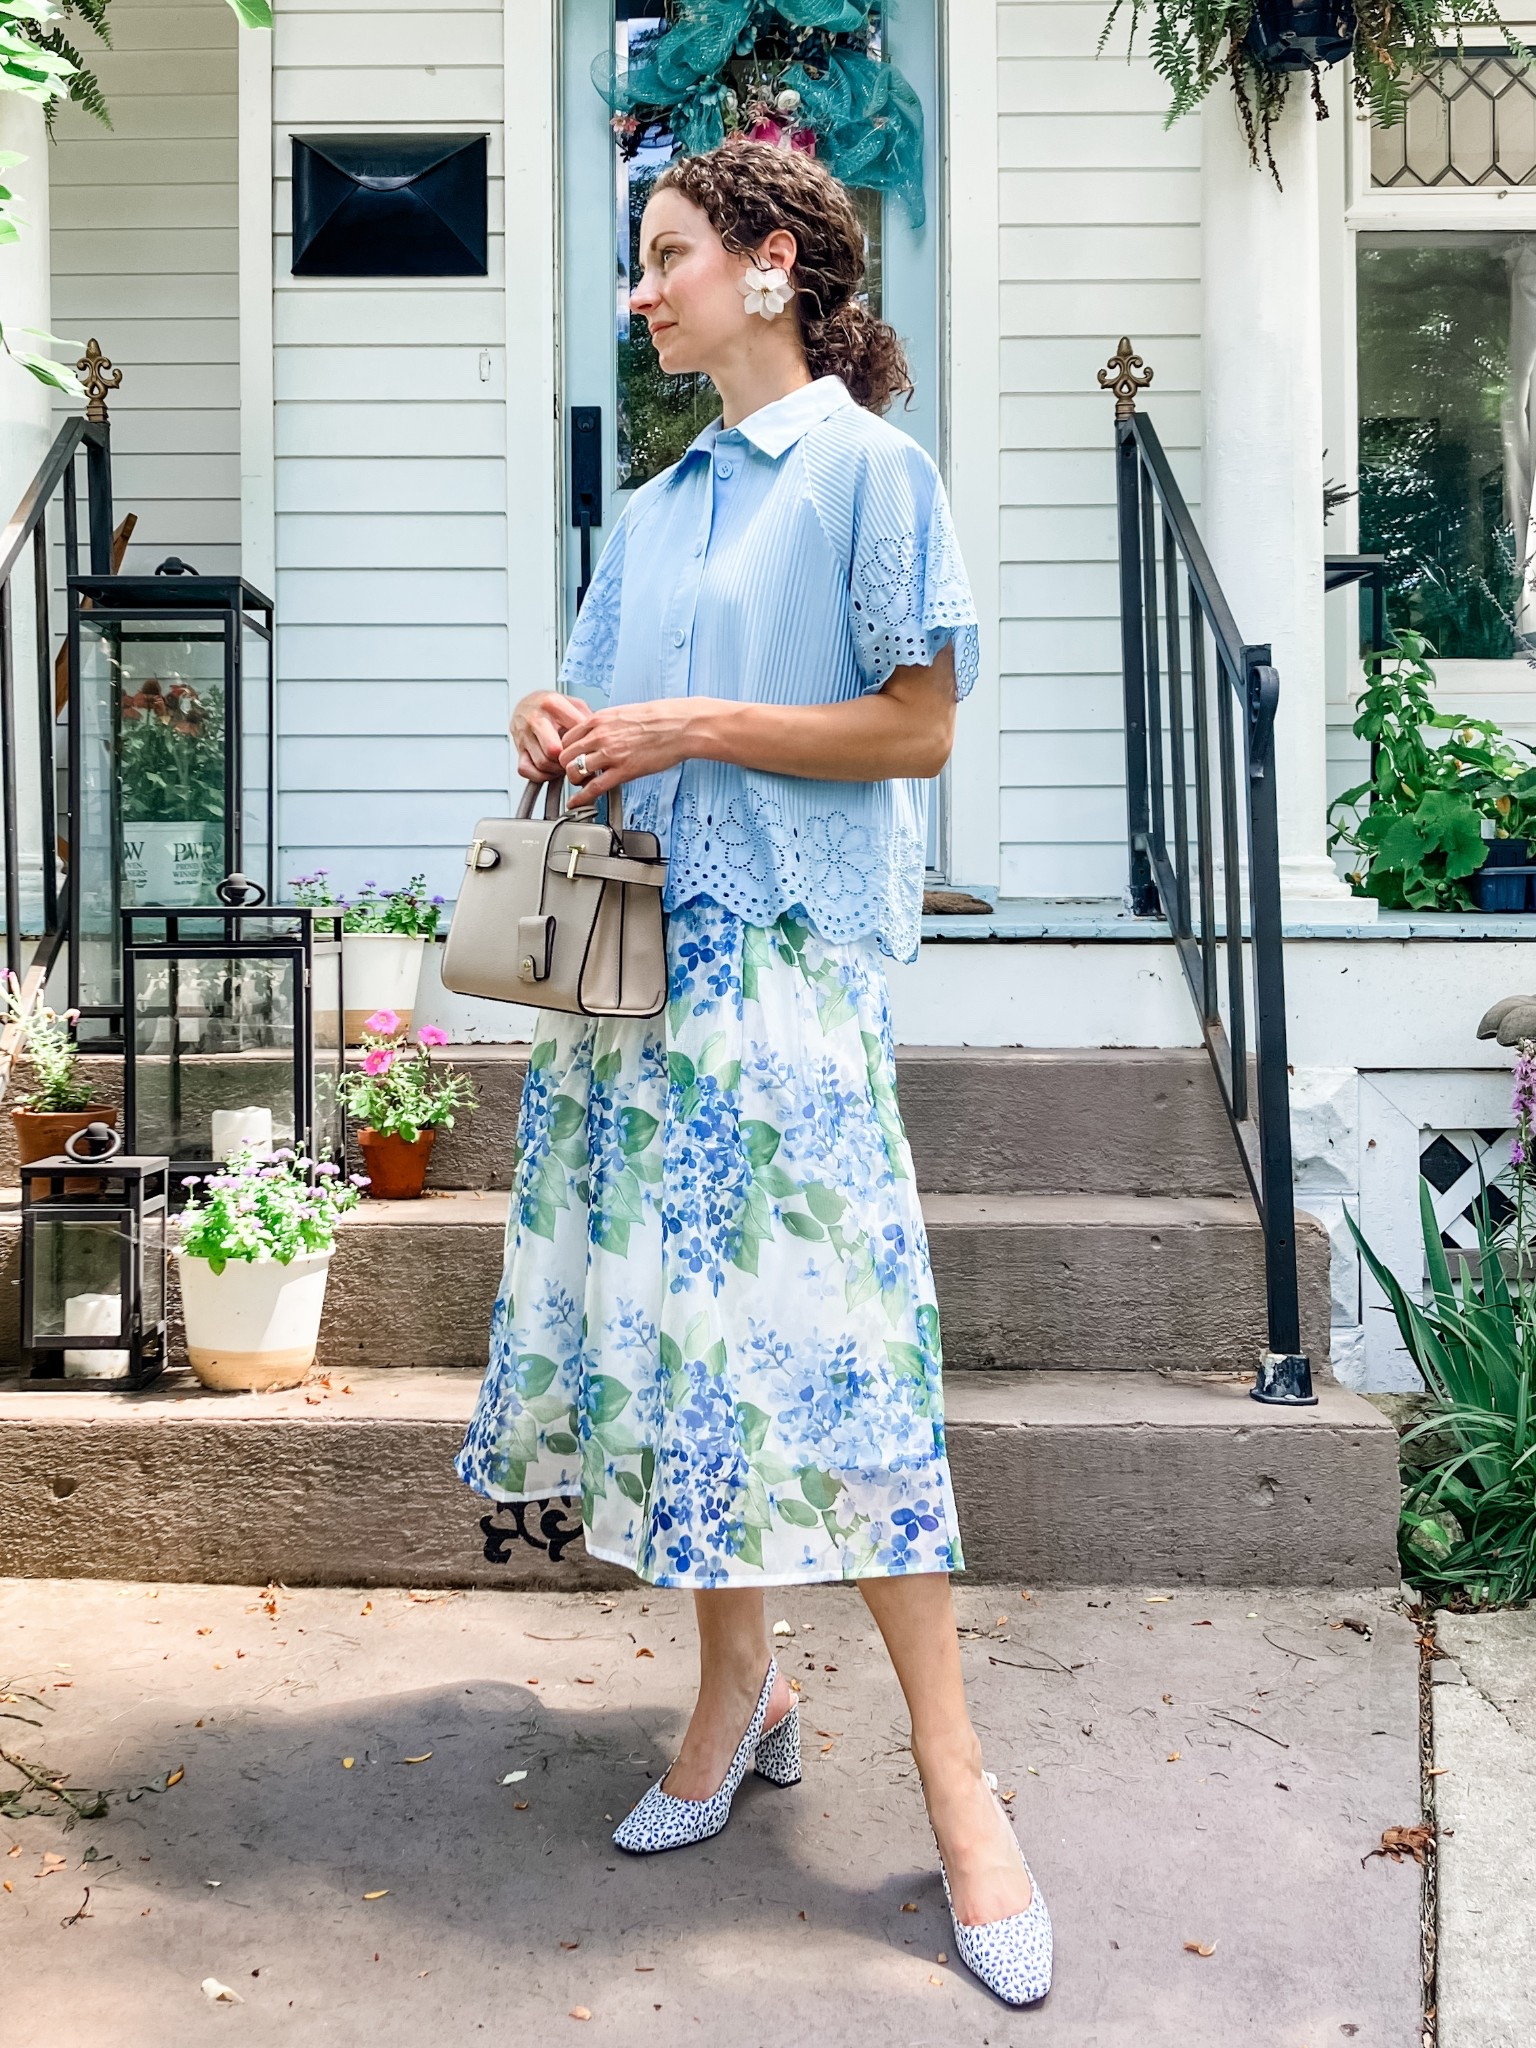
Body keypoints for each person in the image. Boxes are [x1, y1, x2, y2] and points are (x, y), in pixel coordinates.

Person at [456, 137, 1050, 2008]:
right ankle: (735, 1687)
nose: (645, 291)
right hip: (639, 994)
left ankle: (957, 1783)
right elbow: (583, 705)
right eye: (641, 263)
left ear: (772, 266)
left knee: (845, 1362)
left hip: (785, 991)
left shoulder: (876, 474)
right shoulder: (650, 509)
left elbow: (919, 725)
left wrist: (703, 723)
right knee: (692, 1365)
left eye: (669, 255)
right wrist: (553, 722)